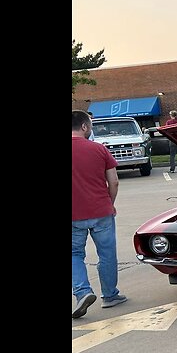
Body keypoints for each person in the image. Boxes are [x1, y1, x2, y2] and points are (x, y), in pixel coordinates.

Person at [72, 110, 127, 318]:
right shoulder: (99, 149)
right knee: (106, 253)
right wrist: (109, 204)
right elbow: (114, 181)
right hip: (101, 210)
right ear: (84, 127)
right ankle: (110, 295)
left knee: (74, 254)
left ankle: (82, 292)